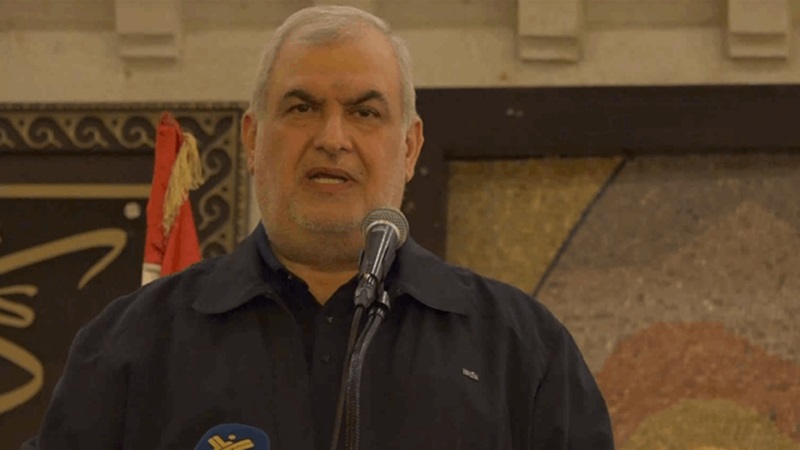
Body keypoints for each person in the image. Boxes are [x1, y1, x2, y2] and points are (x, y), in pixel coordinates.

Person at [22, 5, 614, 449]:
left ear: (409, 148)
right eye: (302, 107)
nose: (333, 138)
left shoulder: (521, 349)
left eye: (365, 112)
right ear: (253, 140)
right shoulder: (133, 343)